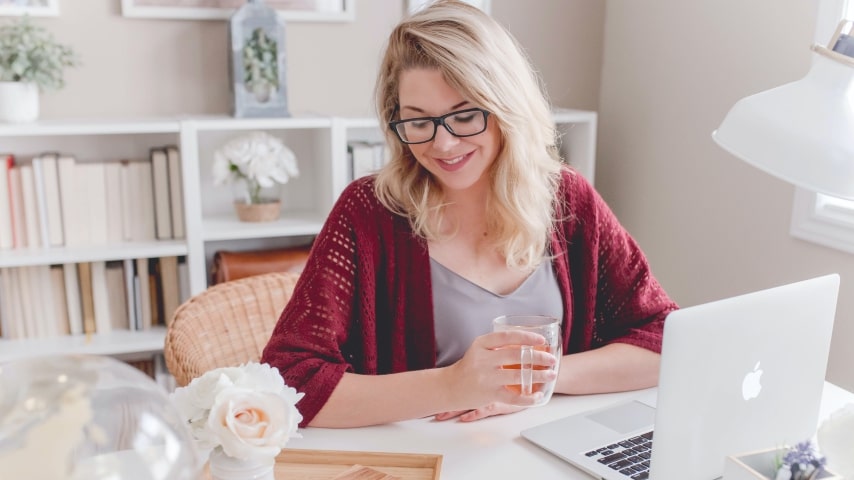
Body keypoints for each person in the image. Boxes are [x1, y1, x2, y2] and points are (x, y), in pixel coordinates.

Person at [261, 0, 678, 428]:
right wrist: (454, 384)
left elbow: (667, 339)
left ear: (506, 107)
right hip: (424, 460)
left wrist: (534, 380)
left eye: (464, 115)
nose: (442, 144)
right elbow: (288, 381)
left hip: (540, 453)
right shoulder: (368, 213)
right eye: (418, 121)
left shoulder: (567, 200)